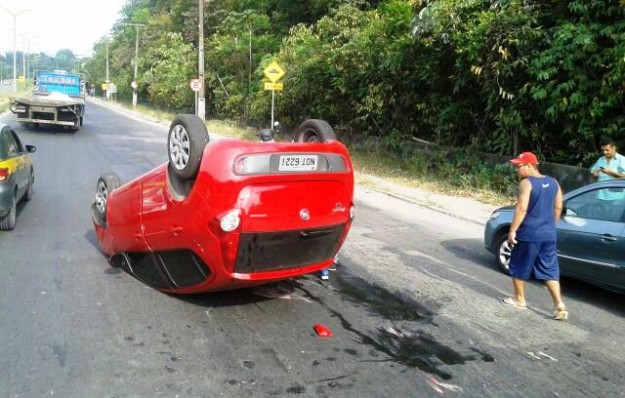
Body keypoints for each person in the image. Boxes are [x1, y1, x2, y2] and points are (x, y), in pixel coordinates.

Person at [500, 152, 568, 320]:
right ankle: (559, 304)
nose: (517, 170)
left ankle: (519, 299)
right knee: (549, 269)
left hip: (529, 233)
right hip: (548, 234)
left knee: (517, 264)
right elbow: (558, 206)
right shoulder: (553, 182)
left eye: (519, 166)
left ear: (529, 165)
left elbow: (522, 208)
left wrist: (512, 230)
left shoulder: (527, 183)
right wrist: (551, 224)